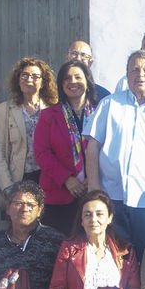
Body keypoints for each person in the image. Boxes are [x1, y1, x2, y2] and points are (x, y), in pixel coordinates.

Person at [84, 50, 145, 257]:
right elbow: (92, 146)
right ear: (127, 74)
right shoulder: (109, 104)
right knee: (112, 255)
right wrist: (94, 187)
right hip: (110, 196)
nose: (140, 75)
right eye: (134, 69)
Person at [35, 60, 99, 234]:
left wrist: (91, 179)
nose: (73, 82)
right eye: (67, 78)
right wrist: (67, 179)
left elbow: (107, 150)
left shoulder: (100, 113)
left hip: (93, 191)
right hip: (58, 194)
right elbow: (42, 153)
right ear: (61, 84)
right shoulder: (49, 115)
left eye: (78, 77)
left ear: (87, 81)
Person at [0, 57, 58, 194]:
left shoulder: (53, 109)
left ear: (43, 82)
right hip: (19, 179)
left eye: (35, 76)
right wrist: (7, 187)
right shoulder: (4, 110)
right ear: (18, 80)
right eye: (24, 75)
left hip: (49, 177)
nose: (29, 79)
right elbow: (0, 152)